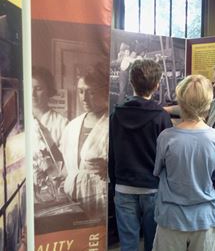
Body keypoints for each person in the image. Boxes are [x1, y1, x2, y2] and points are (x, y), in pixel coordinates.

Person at [152, 75, 215, 251]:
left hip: (171, 217)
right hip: (205, 218)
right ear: (208, 103)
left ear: (181, 102)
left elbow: (157, 171)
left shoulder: (166, 137)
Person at [108, 59, 172, 251]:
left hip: (123, 187)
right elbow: (167, 156)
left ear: (130, 83)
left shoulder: (115, 116)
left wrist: (114, 184)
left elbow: (112, 153)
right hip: (153, 188)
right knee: (154, 244)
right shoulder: (161, 117)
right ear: (157, 84)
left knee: (128, 244)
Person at [61, 66, 109, 217]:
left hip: (99, 198)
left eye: (91, 92)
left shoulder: (114, 124)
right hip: (71, 197)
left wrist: (109, 168)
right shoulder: (72, 126)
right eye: (81, 91)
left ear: (105, 91)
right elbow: (66, 165)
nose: (84, 98)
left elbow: (129, 166)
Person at [32, 66, 68, 202]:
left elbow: (65, 164)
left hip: (52, 192)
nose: (32, 93)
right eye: (30, 87)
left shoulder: (62, 123)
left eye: (38, 88)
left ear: (48, 91)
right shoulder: (20, 121)